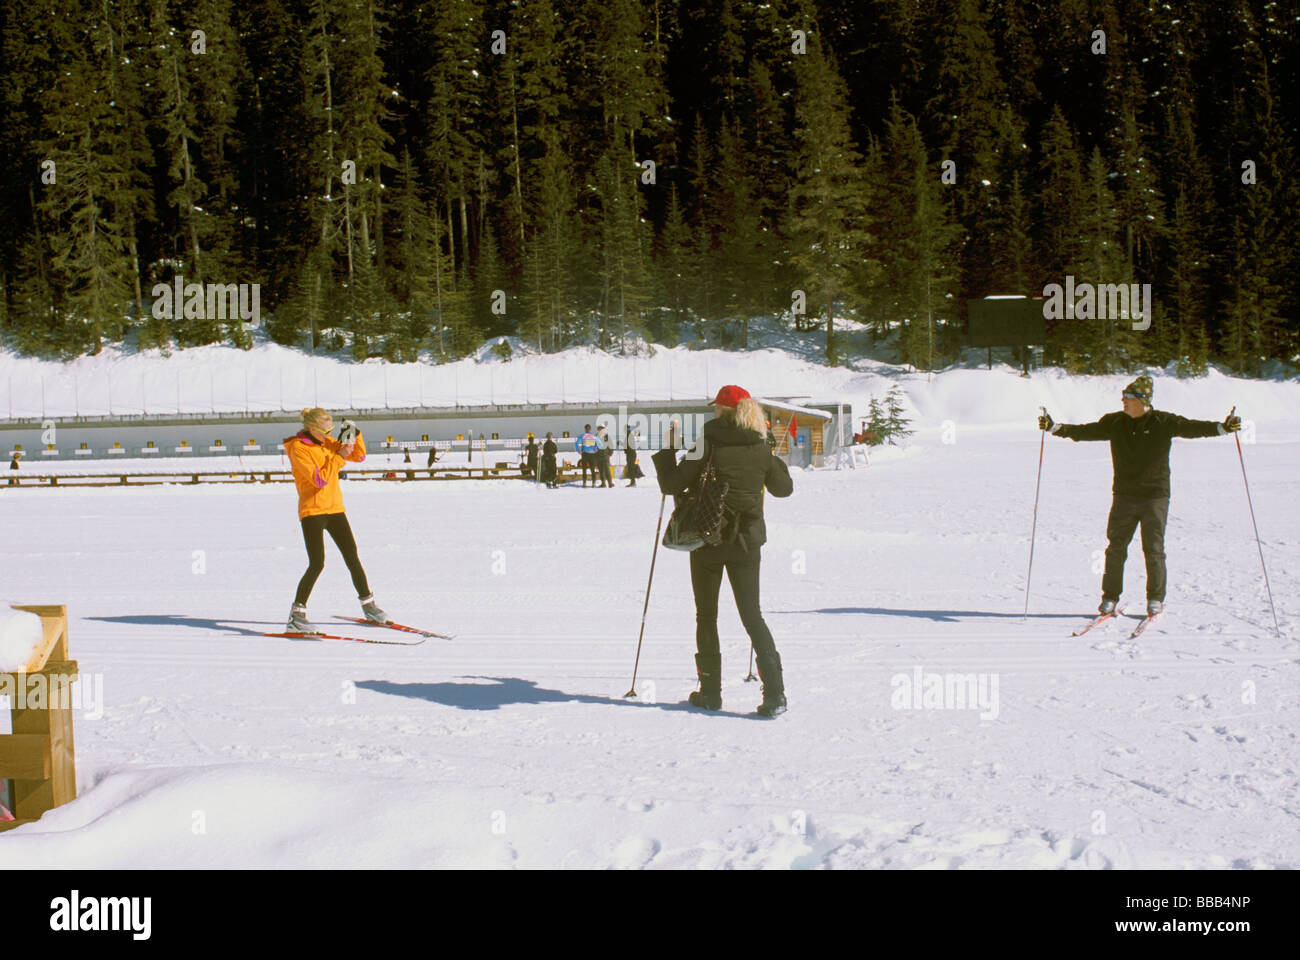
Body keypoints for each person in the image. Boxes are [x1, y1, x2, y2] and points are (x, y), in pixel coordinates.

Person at [1039, 375, 1241, 617]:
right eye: (1123, 397)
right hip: (1124, 496)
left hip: (1155, 496)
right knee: (1115, 548)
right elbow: (1085, 432)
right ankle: (1110, 598)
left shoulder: (1163, 421)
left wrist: (1223, 427)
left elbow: (1193, 428)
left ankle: (1155, 599)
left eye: (1127, 398)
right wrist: (1054, 428)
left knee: (1153, 548)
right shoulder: (1115, 422)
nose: (1122, 401)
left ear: (1142, 401)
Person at [653, 385, 794, 717]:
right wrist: (773, 455)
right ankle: (775, 694)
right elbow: (783, 489)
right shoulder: (760, 446)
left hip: (708, 539)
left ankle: (711, 693)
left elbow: (671, 484)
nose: (713, 412)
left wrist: (667, 450)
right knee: (752, 616)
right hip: (746, 542)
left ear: (723, 411)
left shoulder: (706, 443)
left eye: (716, 408)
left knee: (707, 615)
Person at [282, 408, 387, 633]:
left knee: (352, 557)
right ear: (312, 429)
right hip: (312, 511)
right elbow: (319, 480)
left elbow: (359, 456)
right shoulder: (298, 449)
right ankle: (296, 616)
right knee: (317, 563)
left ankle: (369, 607)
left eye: (332, 430)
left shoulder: (326, 443)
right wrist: (338, 457)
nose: (329, 434)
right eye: (325, 430)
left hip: (335, 509)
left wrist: (355, 435)